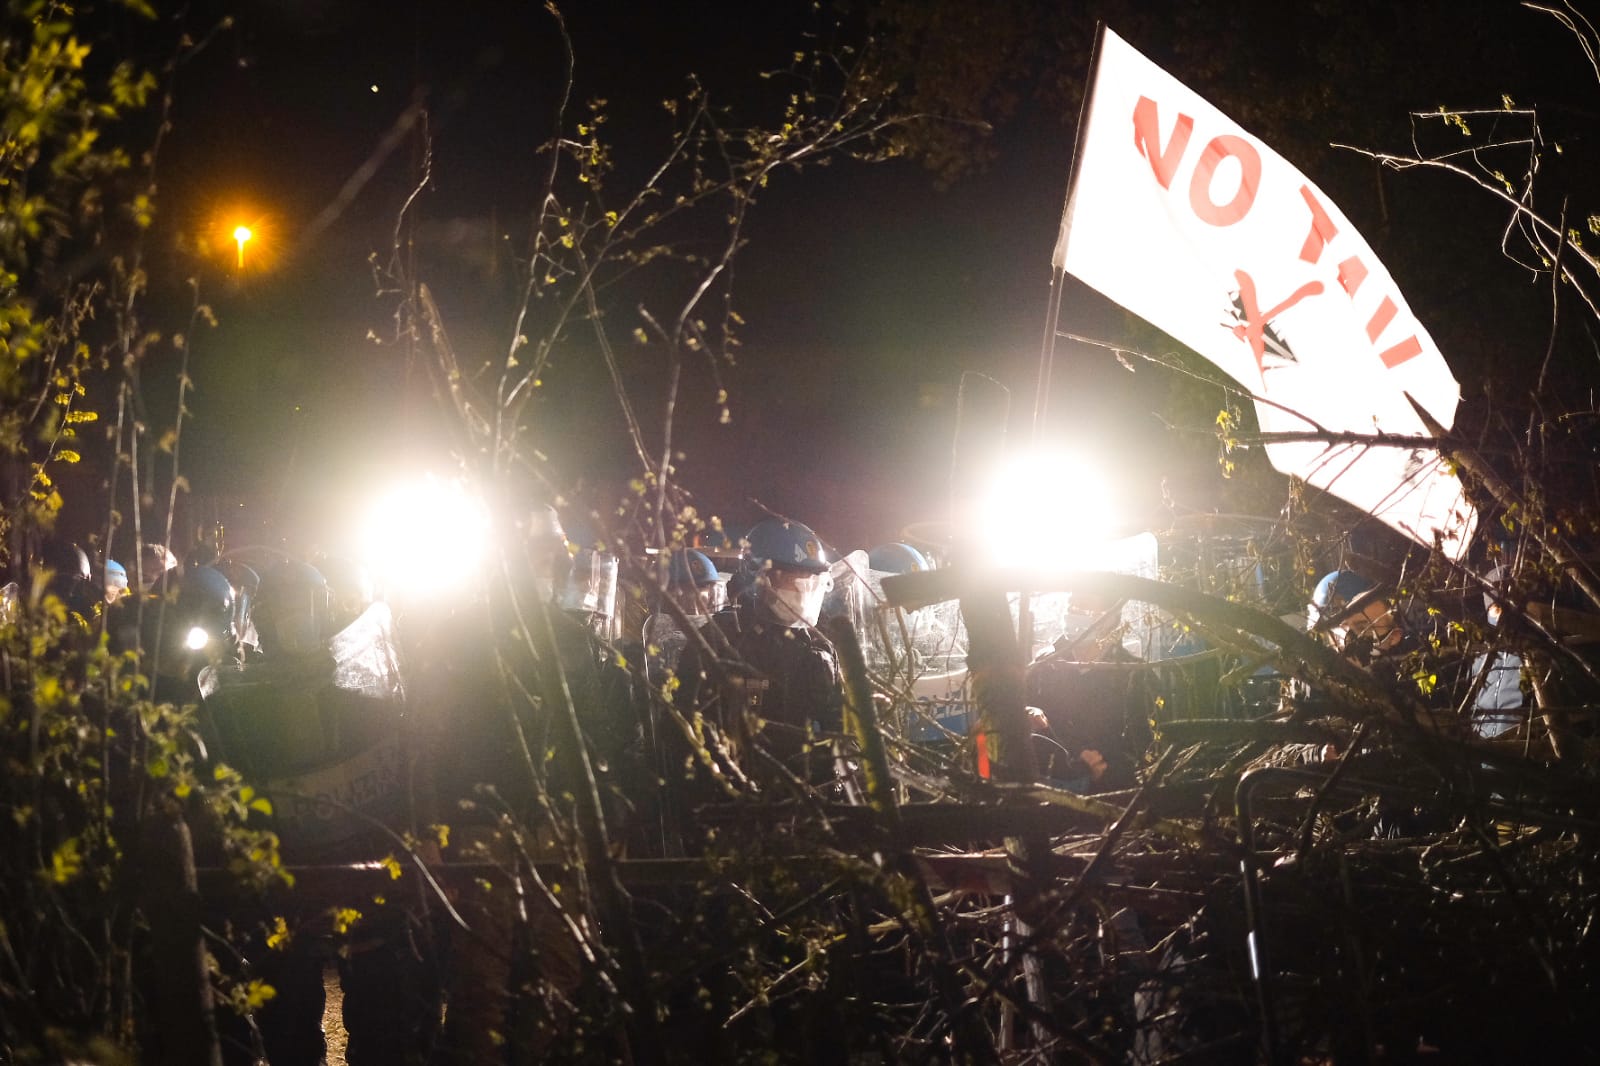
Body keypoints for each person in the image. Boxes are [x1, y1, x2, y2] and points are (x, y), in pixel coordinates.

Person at [676, 516, 844, 783]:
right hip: (737, 792)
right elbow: (683, 732)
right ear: (757, 579)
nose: (803, 591)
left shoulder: (819, 646)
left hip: (807, 792)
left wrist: (837, 774)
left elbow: (841, 726)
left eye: (811, 581)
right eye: (792, 579)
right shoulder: (718, 641)